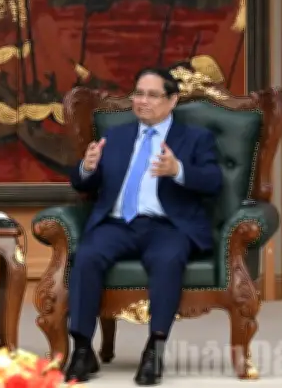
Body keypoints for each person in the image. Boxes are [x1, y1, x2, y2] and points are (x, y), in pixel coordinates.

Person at [64, 67, 222, 386]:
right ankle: (82, 349)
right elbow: (84, 183)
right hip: (118, 224)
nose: (142, 101)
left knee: (167, 259)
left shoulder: (194, 138)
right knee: (87, 255)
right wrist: (87, 168)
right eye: (138, 93)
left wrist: (178, 170)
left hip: (167, 225)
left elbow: (214, 181)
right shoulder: (116, 136)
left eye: (152, 95)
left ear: (172, 100)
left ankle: (154, 349)